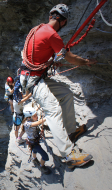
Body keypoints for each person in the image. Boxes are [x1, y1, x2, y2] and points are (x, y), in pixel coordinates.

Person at [19, 4, 96, 168]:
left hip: (31, 76)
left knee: (66, 94)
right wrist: (86, 62)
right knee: (53, 110)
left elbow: (36, 53)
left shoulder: (37, 29)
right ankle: (69, 154)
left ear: (51, 17)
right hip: (34, 79)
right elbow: (72, 59)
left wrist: (49, 62)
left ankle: (70, 132)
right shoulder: (52, 35)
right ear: (64, 21)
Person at [20, 107, 50, 175]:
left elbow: (34, 114)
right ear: (29, 118)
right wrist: (48, 117)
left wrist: (39, 107)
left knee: (34, 150)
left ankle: (34, 159)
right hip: (34, 142)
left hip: (33, 141)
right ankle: (42, 166)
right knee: (45, 156)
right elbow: (38, 122)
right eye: (34, 116)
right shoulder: (27, 124)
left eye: (36, 115)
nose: (37, 116)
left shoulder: (29, 120)